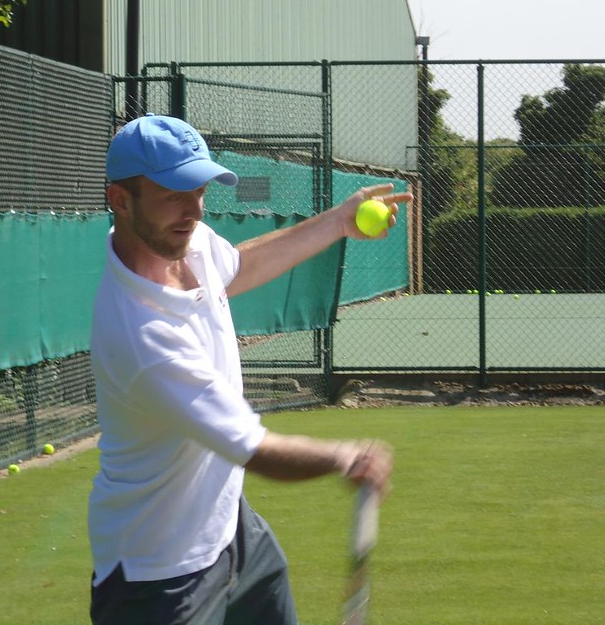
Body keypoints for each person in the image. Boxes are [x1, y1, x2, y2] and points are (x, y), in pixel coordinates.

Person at [88, 114, 410, 625]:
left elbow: (236, 265)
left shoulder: (183, 240)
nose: (193, 209)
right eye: (173, 193)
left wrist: (338, 222)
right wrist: (345, 457)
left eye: (198, 190)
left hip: (234, 532)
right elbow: (255, 449)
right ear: (120, 200)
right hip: (160, 578)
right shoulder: (145, 337)